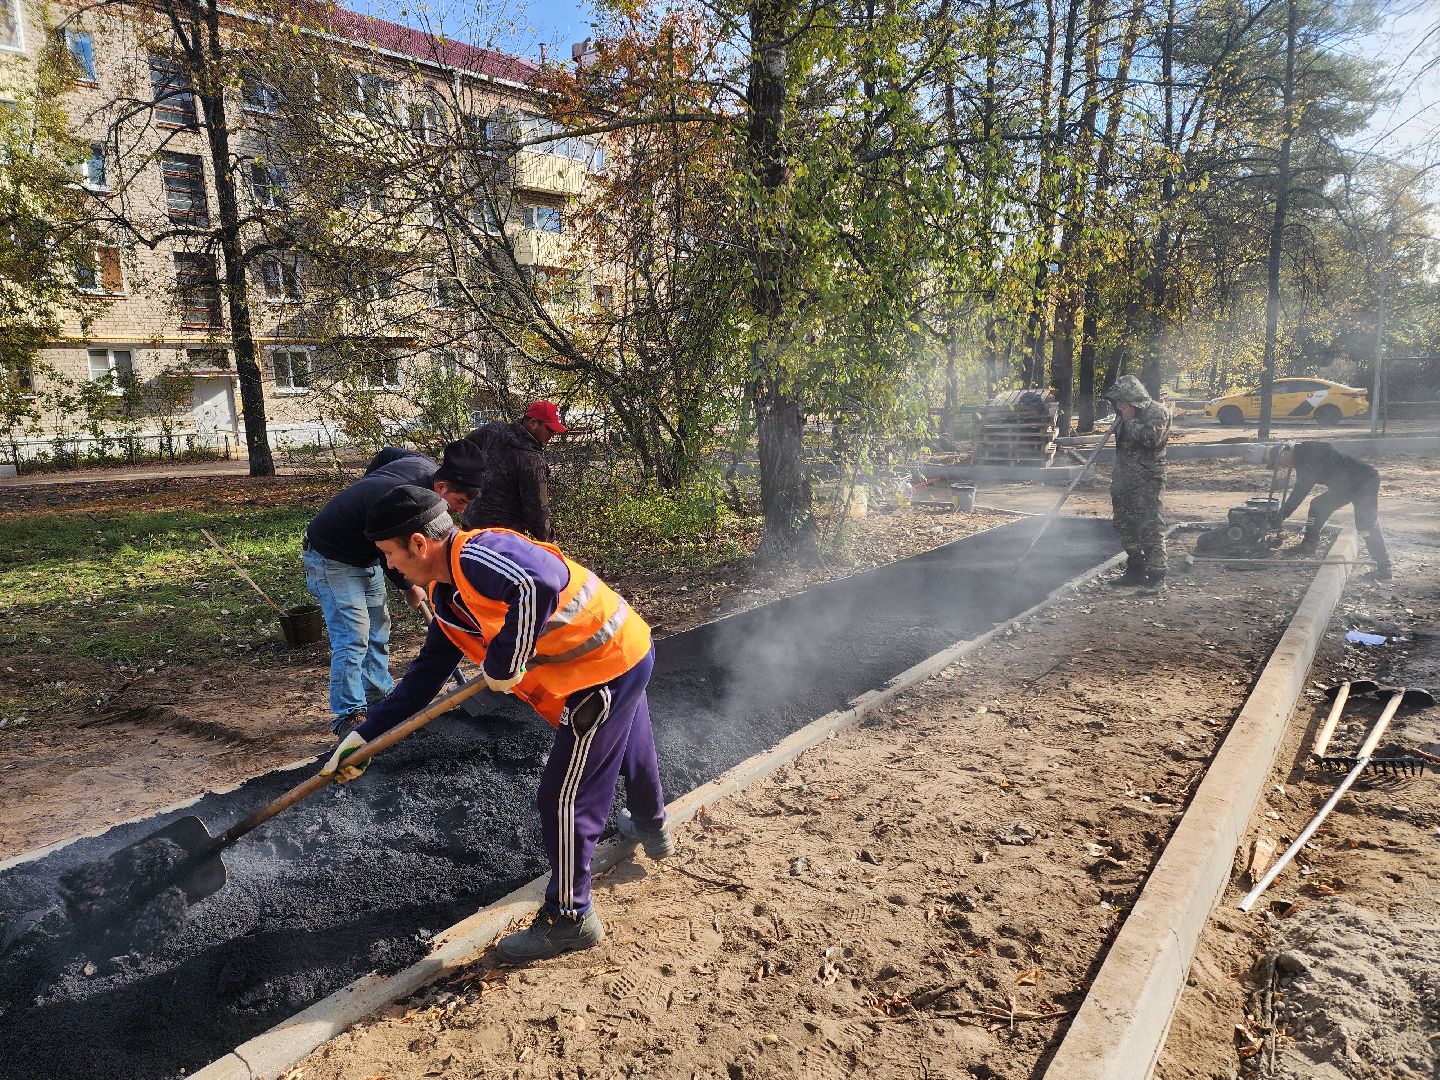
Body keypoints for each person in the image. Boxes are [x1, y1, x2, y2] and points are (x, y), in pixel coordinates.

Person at [322, 484, 671, 963]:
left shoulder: (481, 556)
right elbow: (422, 681)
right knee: (631, 741)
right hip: (621, 652)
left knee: (564, 797)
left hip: (601, 670)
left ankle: (569, 919)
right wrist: (363, 739)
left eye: (389, 554)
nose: (389, 567)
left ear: (419, 545)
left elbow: (538, 583)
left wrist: (507, 661)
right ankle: (652, 826)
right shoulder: (449, 599)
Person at [303, 440, 485, 736]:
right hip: (331, 554)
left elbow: (387, 454)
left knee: (378, 628)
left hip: (369, 554)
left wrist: (368, 497)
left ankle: (379, 703)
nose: (459, 511)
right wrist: (409, 586)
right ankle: (348, 716)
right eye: (460, 502)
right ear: (441, 487)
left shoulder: (424, 469)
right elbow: (396, 553)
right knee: (353, 635)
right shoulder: (400, 501)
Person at [1272, 441, 1391, 580]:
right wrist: (1283, 514)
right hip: (1345, 488)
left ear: (1285, 453)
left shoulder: (1306, 450)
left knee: (1366, 525)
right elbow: (1300, 490)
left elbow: (1327, 448)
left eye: (1279, 460)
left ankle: (1384, 568)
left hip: (1364, 481)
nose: (1282, 465)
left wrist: (1316, 467)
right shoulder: (1302, 464)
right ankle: (1309, 545)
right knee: (1318, 506)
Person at [1103, 374, 1172, 591]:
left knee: (1150, 526)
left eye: (1121, 401)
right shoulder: (1122, 416)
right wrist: (1124, 419)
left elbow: (1151, 440)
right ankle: (1135, 568)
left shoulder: (1157, 411)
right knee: (1124, 524)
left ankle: (1157, 574)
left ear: (1132, 398)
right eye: (1116, 402)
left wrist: (1131, 420)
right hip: (1124, 479)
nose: (1118, 405)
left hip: (1147, 479)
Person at [460, 400, 566, 541]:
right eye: (550, 429)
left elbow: (463, 450)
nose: (552, 435)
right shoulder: (533, 462)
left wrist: (464, 488)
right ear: (533, 423)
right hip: (503, 538)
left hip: (471, 525)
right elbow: (537, 513)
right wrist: (550, 542)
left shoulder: (493, 431)